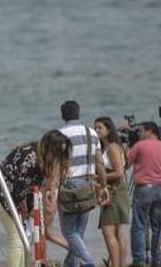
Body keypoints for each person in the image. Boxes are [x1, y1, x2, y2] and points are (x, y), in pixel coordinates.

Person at [0, 130, 71, 267]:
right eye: (58, 154)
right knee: (17, 241)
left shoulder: (38, 153)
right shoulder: (31, 158)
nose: (59, 158)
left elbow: (32, 186)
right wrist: (26, 211)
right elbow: (20, 188)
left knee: (25, 239)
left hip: (12, 195)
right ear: (50, 148)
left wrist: (33, 207)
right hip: (2, 194)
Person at [57, 100, 109, 267]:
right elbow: (100, 163)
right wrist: (103, 185)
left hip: (69, 185)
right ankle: (70, 264)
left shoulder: (59, 134)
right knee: (79, 231)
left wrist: (50, 188)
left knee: (69, 232)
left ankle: (88, 263)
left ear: (62, 115)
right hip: (88, 184)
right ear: (78, 113)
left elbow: (57, 164)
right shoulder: (91, 133)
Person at [127, 121, 161, 267]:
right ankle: (159, 260)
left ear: (149, 131)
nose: (138, 134)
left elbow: (126, 163)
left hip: (144, 189)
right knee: (159, 227)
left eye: (140, 131)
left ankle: (139, 260)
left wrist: (128, 146)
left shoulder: (139, 145)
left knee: (139, 226)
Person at [94, 117, 129, 267]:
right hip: (116, 190)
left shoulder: (113, 148)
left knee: (108, 231)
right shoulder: (109, 147)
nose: (96, 131)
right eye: (95, 128)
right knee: (116, 231)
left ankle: (115, 264)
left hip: (115, 191)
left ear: (109, 130)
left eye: (99, 128)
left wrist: (98, 177)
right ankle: (119, 263)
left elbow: (119, 172)